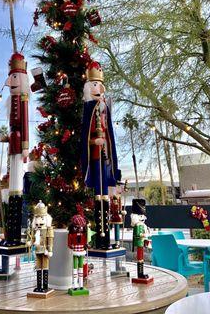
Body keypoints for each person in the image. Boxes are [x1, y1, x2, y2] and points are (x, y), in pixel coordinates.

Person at [81, 61, 121, 250]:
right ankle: (100, 235)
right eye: (96, 84)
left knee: (105, 195)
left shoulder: (105, 108)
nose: (100, 88)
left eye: (100, 84)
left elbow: (110, 134)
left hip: (106, 160)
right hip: (95, 158)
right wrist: (93, 142)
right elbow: (85, 136)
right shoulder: (88, 108)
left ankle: (106, 237)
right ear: (89, 87)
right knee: (98, 195)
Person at [0, 52, 29, 247]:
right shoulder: (10, 101)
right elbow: (14, 126)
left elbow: (24, 125)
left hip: (19, 144)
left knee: (17, 184)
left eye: (14, 77)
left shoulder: (23, 99)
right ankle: (10, 235)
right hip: (12, 144)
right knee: (12, 181)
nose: (9, 82)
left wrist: (25, 147)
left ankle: (14, 236)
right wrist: (2, 138)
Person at [27, 201, 54, 297]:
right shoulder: (35, 230)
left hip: (45, 251)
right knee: (38, 267)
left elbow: (50, 239)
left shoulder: (48, 229)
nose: (39, 221)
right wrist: (30, 242)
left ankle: (45, 286)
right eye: (37, 218)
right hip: (37, 250)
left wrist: (50, 250)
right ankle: (39, 285)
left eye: (41, 218)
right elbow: (33, 238)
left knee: (45, 266)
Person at [131, 199, 153, 284]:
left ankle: (141, 273)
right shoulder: (138, 225)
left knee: (141, 258)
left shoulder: (141, 224)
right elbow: (138, 234)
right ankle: (140, 274)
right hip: (140, 242)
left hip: (142, 241)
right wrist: (144, 235)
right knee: (140, 258)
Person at [67, 213, 89, 295]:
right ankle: (75, 285)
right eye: (77, 227)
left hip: (81, 251)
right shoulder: (71, 235)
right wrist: (71, 246)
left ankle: (81, 284)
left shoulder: (84, 235)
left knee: (80, 268)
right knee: (75, 268)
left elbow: (85, 242)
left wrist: (86, 245)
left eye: (81, 227)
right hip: (75, 251)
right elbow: (69, 243)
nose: (79, 229)